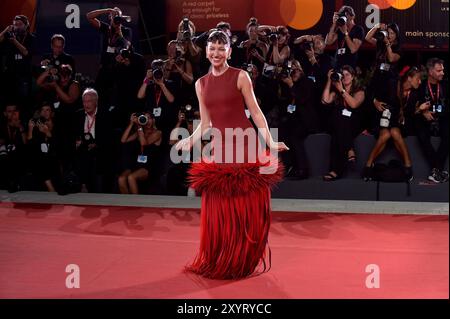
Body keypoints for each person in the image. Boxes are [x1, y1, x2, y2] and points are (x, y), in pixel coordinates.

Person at [175, 30, 288, 280]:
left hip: (245, 146)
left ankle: (241, 260)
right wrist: (189, 140)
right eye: (212, 48)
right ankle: (223, 259)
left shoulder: (241, 76)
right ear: (206, 51)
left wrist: (270, 140)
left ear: (229, 51)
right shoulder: (200, 83)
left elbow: (256, 113)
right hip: (221, 148)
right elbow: (205, 124)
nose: (216, 53)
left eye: (221, 48)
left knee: (244, 208)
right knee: (220, 209)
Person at [362, 66, 419, 181]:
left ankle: (408, 165)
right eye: (417, 78)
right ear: (409, 78)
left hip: (399, 122)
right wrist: (375, 101)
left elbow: (410, 115)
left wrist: (418, 110)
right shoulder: (393, 84)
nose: (420, 81)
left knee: (394, 132)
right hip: (384, 116)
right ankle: (368, 165)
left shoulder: (413, 95)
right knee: (386, 134)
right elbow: (369, 90)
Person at [321, 65, 365, 180]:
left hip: (354, 124)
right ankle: (349, 150)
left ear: (353, 77)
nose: (345, 77)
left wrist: (342, 90)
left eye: (347, 75)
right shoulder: (336, 91)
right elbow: (325, 101)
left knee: (339, 124)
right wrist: (329, 81)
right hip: (340, 127)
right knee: (338, 122)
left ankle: (335, 170)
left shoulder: (359, 91)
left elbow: (354, 104)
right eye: (343, 75)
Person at [413, 58, 449, 183]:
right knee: (422, 134)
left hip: (443, 118)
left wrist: (441, 113)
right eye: (439, 70)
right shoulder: (421, 86)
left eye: (443, 70)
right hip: (425, 119)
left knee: (448, 135)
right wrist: (423, 111)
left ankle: (436, 170)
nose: (442, 73)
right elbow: (414, 106)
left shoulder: (445, 85)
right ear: (430, 72)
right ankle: (439, 170)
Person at [118, 112, 162, 194]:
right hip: (136, 164)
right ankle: (127, 202)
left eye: (149, 118)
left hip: (148, 166)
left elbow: (144, 143)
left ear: (153, 120)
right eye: (145, 118)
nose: (147, 121)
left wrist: (139, 126)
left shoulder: (157, 133)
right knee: (121, 179)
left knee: (131, 177)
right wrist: (131, 123)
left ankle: (136, 204)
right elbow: (123, 140)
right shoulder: (139, 132)